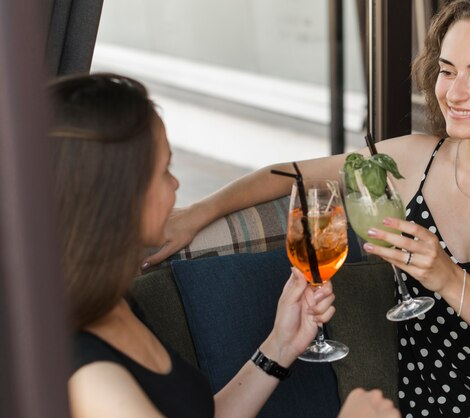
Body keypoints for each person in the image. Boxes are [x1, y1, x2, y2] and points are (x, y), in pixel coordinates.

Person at [143, 0, 470, 416]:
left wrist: (447, 279)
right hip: (429, 406)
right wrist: (197, 213)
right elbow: (287, 174)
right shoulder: (415, 158)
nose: (454, 93)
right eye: (447, 70)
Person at [49, 73, 400, 418]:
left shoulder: (112, 304)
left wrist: (279, 345)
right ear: (116, 196)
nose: (175, 183)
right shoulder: (92, 382)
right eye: (163, 170)